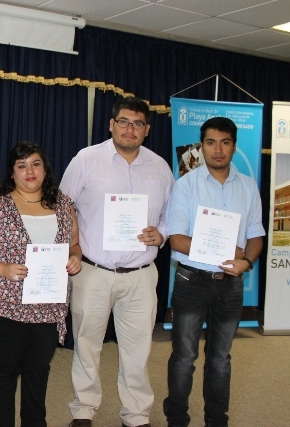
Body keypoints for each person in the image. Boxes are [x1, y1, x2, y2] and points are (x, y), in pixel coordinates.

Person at [60, 96, 174, 427]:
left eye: (138, 124)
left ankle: (136, 414)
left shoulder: (160, 168)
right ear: (111, 124)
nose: (130, 129)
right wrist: (73, 246)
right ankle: (83, 410)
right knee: (86, 344)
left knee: (138, 349)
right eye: (123, 121)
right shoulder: (87, 159)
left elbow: (171, 215)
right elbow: (63, 205)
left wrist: (162, 234)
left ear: (147, 130)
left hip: (141, 274)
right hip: (93, 271)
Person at [163, 117, 265, 427]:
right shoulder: (185, 185)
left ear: (234, 146)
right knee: (184, 357)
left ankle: (217, 421)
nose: (217, 149)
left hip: (231, 285)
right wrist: (228, 250)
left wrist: (246, 261)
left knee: (221, 359)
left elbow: (256, 236)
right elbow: (177, 239)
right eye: (210, 143)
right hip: (191, 281)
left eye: (225, 142)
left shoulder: (248, 187)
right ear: (201, 146)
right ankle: (177, 420)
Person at [0, 142, 82, 427]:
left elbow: (74, 245)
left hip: (48, 306)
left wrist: (75, 259)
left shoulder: (64, 204)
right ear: (12, 173)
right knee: (4, 372)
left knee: (38, 371)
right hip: (2, 306)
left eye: (35, 164)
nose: (29, 171)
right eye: (21, 166)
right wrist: (3, 269)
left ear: (45, 169)